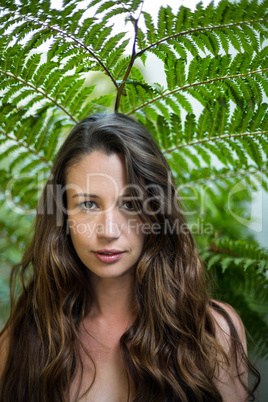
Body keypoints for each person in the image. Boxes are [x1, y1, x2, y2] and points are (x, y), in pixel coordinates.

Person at [0, 113, 260, 401]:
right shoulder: (25, 336)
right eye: (88, 203)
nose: (109, 231)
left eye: (130, 204)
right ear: (62, 214)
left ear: (157, 212)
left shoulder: (212, 330)